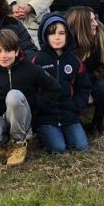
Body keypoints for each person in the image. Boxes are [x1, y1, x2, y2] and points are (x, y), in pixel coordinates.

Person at [0, 28, 61, 167]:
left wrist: (34, 103)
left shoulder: (31, 69)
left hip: (22, 116)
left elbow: (55, 89)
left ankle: (18, 143)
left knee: (14, 95)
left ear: (17, 51)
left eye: (8, 51)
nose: (3, 56)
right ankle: (5, 143)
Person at [32, 14, 91, 154]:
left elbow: (84, 87)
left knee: (81, 146)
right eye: (52, 33)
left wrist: (76, 106)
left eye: (61, 33)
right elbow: (29, 88)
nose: (57, 37)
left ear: (67, 35)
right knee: (58, 148)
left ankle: (67, 132)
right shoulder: (37, 61)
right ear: (45, 36)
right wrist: (39, 107)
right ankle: (44, 134)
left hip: (69, 115)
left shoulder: (74, 61)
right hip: (46, 117)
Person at [64, 7, 104, 135]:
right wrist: (82, 90)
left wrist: (87, 85)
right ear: (80, 25)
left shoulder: (102, 37)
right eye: (91, 21)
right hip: (72, 83)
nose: (95, 24)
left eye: (95, 19)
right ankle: (73, 121)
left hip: (95, 80)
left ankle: (97, 121)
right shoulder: (64, 43)